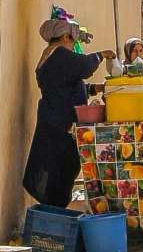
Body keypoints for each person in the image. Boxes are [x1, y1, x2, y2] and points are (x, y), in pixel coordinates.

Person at [22, 14, 115, 208]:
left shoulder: (50, 56)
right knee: (58, 170)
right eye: (73, 40)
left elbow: (65, 86)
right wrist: (102, 55)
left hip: (53, 120)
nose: (74, 45)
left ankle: (53, 210)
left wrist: (94, 89)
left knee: (55, 168)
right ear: (65, 38)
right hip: (60, 124)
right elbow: (84, 66)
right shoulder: (59, 54)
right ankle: (54, 215)